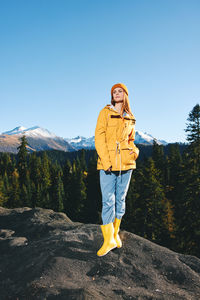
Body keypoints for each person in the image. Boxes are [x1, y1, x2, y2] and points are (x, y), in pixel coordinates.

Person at [94, 83, 139, 257]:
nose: (117, 93)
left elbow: (132, 139)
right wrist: (106, 162)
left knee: (121, 199)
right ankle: (107, 240)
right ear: (112, 96)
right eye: (114, 92)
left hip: (127, 164)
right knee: (108, 201)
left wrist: (134, 152)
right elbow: (99, 138)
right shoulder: (105, 112)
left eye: (120, 91)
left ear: (125, 94)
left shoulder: (131, 117)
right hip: (108, 164)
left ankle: (114, 235)